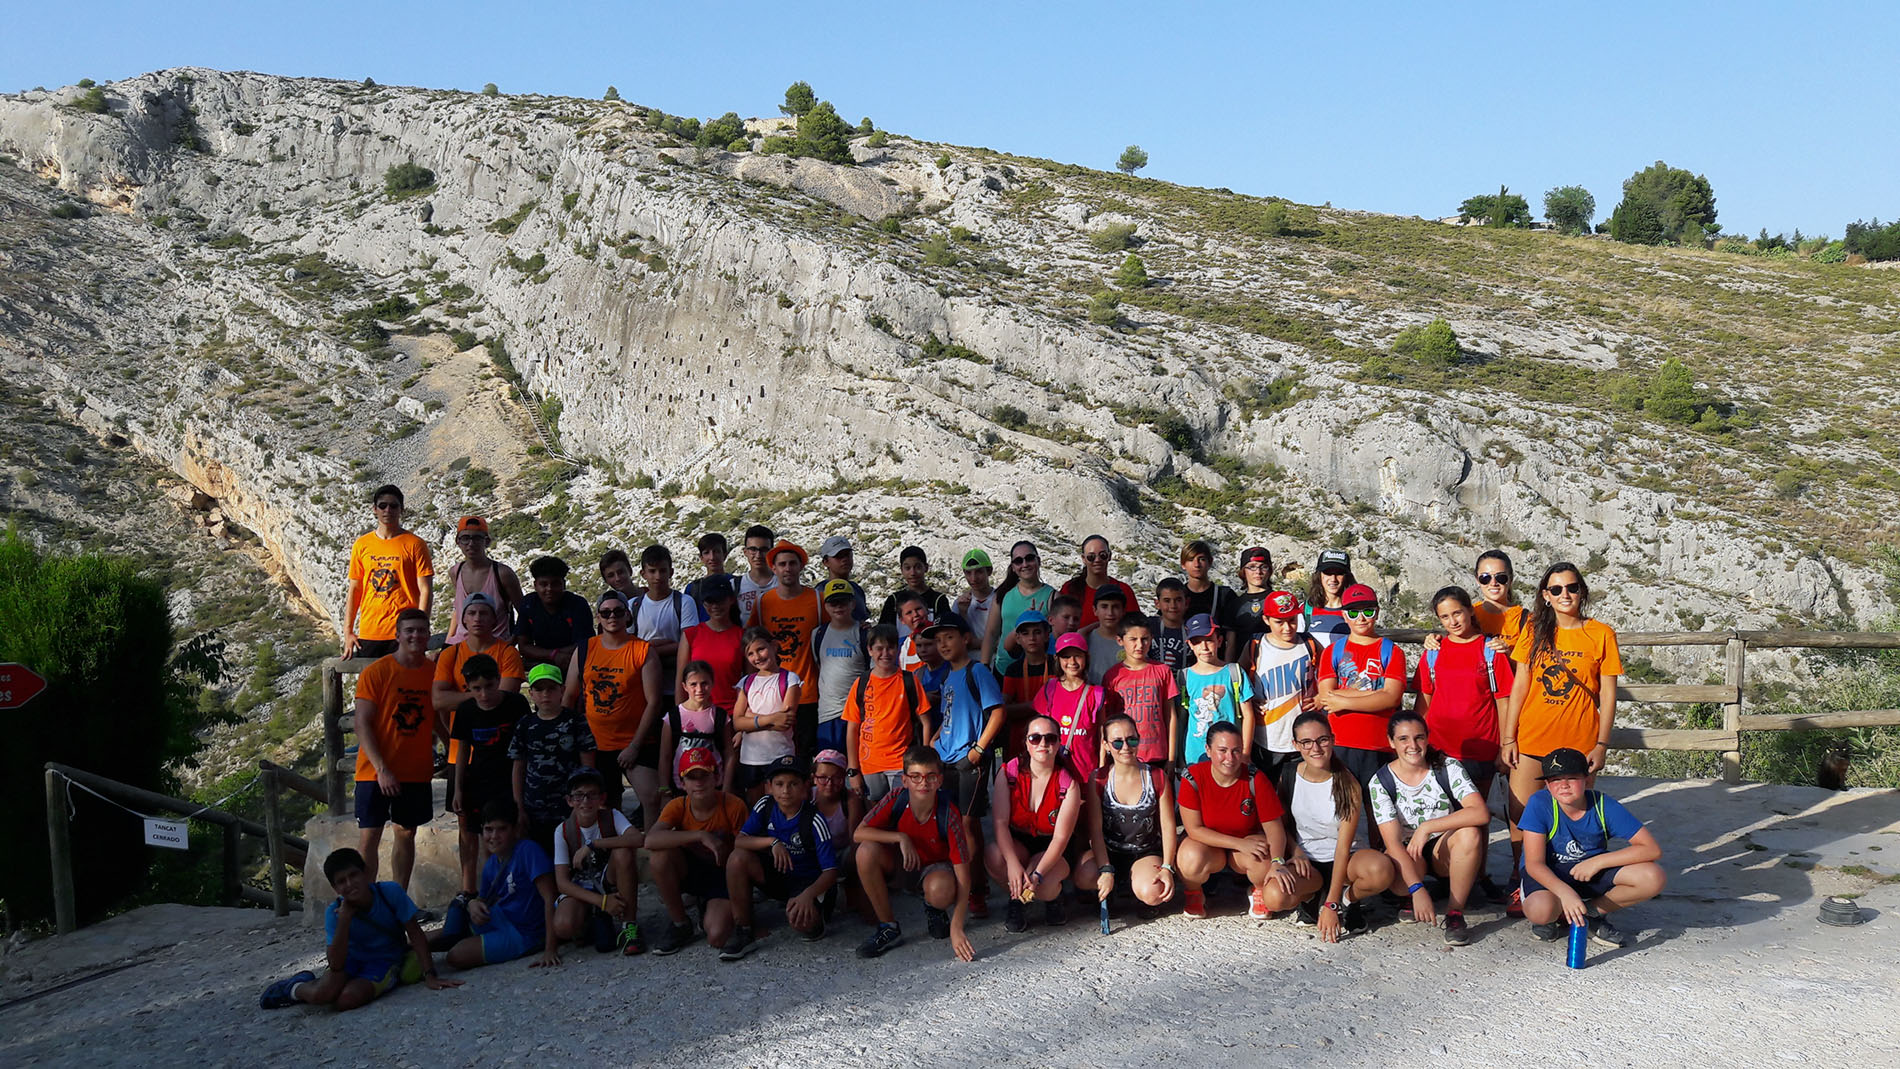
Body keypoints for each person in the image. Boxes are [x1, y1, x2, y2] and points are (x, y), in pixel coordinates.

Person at [1500, 561, 1622, 916]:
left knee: (1574, 814)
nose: (1564, 594)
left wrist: (1601, 744)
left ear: (1582, 591)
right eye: (1556, 589)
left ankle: (1574, 884)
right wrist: (1508, 737)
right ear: (1546, 595)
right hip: (1532, 738)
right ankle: (1523, 877)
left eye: (1571, 587)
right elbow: (1520, 685)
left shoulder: (1601, 634)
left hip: (1578, 742)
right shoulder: (1534, 631)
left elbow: (1608, 695)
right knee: (1521, 813)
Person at [259, 848, 461, 1010]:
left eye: (354, 875)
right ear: (335, 888)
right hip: (350, 962)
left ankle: (319, 985)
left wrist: (430, 975)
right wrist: (344, 920)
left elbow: (415, 934)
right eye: (341, 881)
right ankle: (296, 987)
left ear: (365, 874)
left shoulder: (389, 893)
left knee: (346, 1000)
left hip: (384, 961)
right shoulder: (334, 913)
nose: (349, 884)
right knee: (323, 994)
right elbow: (336, 964)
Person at [1416, 586, 1515, 899]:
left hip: (1480, 747)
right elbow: (1424, 700)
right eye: (1445, 617)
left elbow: (1503, 700)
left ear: (1471, 611)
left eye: (1457, 613)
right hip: (1439, 749)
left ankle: (1478, 875)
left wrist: (1505, 745)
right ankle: (1447, 874)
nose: (1453, 621)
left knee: (1477, 816)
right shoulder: (1434, 652)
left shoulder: (1490, 652)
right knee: (1440, 811)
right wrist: (1417, 745)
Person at [1517, 748, 1666, 948]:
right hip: (1550, 872)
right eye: (1555, 779)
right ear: (1547, 785)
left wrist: (1598, 861)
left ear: (1587, 780)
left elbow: (1651, 849)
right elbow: (1534, 864)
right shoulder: (1539, 803)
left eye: (1572, 778)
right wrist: (1565, 893)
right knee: (1541, 910)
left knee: (1653, 876)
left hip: (1589, 870)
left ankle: (1591, 913)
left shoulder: (1603, 805)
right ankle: (1555, 916)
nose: (1564, 785)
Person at [1371, 711, 1490, 946]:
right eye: (1403, 739)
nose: (1413, 745)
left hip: (1442, 847)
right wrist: (1416, 889)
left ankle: (1455, 913)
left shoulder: (1447, 766)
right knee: (1398, 874)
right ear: (1391, 742)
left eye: (1419, 737)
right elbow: (1392, 843)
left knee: (1470, 833)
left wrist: (1426, 827)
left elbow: (1480, 812)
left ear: (1427, 738)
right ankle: (1410, 895)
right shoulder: (1381, 781)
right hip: (1408, 852)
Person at [1176, 722, 1317, 919]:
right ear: (1208, 750)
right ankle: (1194, 892)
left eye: (1236, 751)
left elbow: (1275, 828)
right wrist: (1238, 843)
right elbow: (1194, 829)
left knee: (1263, 855)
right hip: (1209, 844)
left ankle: (1258, 887)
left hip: (1246, 842)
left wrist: (1277, 861)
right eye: (1222, 751)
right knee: (1189, 857)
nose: (1230, 758)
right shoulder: (1193, 778)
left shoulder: (1254, 778)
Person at [1276, 711, 1393, 941]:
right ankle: (1310, 898)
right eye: (1306, 742)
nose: (1315, 748)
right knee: (1275, 897)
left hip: (1346, 859)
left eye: (1322, 740)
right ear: (1296, 745)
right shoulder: (1288, 775)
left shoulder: (1348, 783)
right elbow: (1282, 826)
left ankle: (1349, 900)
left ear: (1333, 739)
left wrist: (1333, 904)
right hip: (1309, 861)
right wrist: (1296, 851)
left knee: (1381, 870)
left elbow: (1342, 847)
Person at [854, 745, 977, 961]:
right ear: (905, 780)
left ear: (940, 780)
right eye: (916, 776)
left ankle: (933, 907)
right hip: (901, 863)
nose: (923, 783)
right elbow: (859, 833)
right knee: (865, 852)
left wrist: (957, 927)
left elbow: (963, 875)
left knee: (941, 889)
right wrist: (901, 837)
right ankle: (888, 926)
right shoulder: (896, 798)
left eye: (931, 777)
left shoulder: (948, 812)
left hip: (933, 869)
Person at [433, 592, 525, 865]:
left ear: (495, 618)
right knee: (467, 828)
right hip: (462, 755)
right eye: (471, 613)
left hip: (502, 758)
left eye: (484, 613)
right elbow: (438, 700)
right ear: (463, 619)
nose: (477, 618)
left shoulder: (507, 652)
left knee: (505, 825)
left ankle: (502, 878)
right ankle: (470, 884)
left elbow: (505, 697)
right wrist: (479, 698)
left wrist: (463, 699)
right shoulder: (450, 654)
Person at [926, 612, 1006, 918]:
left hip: (969, 759)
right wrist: (935, 738)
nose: (943, 644)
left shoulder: (977, 671)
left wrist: (979, 749)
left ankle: (975, 891)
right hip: (947, 758)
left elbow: (997, 711)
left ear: (966, 639)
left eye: (949, 637)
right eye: (939, 640)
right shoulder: (948, 675)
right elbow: (951, 714)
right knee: (955, 825)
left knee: (969, 824)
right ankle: (967, 884)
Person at [722, 756, 841, 958]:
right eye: (779, 784)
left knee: (802, 923)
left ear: (805, 787)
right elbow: (739, 841)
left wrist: (807, 895)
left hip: (808, 882)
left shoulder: (814, 819)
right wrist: (772, 842)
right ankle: (744, 930)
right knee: (737, 858)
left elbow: (831, 872)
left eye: (793, 784)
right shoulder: (765, 805)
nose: (785, 790)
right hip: (780, 874)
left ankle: (816, 920)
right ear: (769, 787)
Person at [351, 609, 436, 889]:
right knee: (370, 836)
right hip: (375, 770)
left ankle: (399, 898)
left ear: (428, 635)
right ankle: (365, 899)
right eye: (409, 630)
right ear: (397, 635)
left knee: (406, 832)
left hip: (415, 769)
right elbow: (362, 723)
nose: (416, 636)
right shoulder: (377, 672)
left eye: (421, 630)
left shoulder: (433, 673)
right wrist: (382, 769)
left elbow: (439, 718)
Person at [564, 590, 661, 819]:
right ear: (598, 617)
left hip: (635, 740)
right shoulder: (585, 649)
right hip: (596, 743)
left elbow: (654, 701)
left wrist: (635, 746)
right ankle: (611, 841)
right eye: (606, 612)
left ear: (627, 615)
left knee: (652, 798)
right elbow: (569, 695)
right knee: (604, 804)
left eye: (618, 611)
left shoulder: (642, 650)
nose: (612, 617)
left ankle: (652, 840)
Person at [985, 715, 1085, 932]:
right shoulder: (1009, 773)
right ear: (1026, 742)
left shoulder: (1068, 783)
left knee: (1043, 883)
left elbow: (1060, 839)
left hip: (1052, 846)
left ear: (1058, 743)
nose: (1043, 743)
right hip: (1019, 840)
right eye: (1035, 738)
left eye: (1050, 738)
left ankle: (1052, 898)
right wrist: (1012, 864)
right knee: (995, 856)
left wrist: (1037, 874)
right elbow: (1000, 823)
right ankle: (1017, 898)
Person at [647, 748, 751, 955]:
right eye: (691, 777)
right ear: (682, 783)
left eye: (704, 775)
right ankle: (680, 923)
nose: (698, 783)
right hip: (691, 870)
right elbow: (650, 839)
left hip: (723, 874)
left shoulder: (733, 805)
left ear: (717, 778)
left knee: (717, 936)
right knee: (659, 857)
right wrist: (700, 835)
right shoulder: (678, 805)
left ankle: (730, 912)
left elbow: (748, 849)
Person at [439, 799, 560, 969]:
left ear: (515, 829)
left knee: (456, 956)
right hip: (501, 917)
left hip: (525, 932)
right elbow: (483, 898)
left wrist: (550, 949)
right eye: (489, 830)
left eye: (502, 829)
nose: (494, 836)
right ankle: (409, 949)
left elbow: (550, 898)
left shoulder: (529, 851)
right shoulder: (491, 863)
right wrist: (473, 904)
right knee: (451, 928)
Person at [1074, 713, 1178, 912]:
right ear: (1105, 745)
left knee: (1153, 892)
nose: (1125, 747)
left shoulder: (1156, 776)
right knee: (1084, 876)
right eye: (1117, 742)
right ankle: (1113, 887)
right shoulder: (1099, 779)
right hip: (1110, 851)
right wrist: (1105, 868)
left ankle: (1135, 889)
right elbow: (1095, 830)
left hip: (1145, 851)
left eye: (1132, 740)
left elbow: (1168, 827)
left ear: (1139, 739)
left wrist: (1167, 867)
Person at [445, 654, 530, 897]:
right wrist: (458, 789)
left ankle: (518, 889)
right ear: (468, 688)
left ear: (499, 680)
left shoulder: (516, 704)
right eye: (477, 689)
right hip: (480, 782)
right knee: (488, 840)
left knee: (516, 834)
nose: (484, 694)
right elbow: (462, 750)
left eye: (489, 686)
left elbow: (527, 744)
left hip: (512, 779)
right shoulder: (466, 710)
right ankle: (491, 891)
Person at [1315, 583, 1404, 799]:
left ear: (1377, 612)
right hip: (1340, 742)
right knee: (1344, 806)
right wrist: (1376, 694)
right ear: (1344, 615)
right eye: (1353, 612)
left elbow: (1392, 698)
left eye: (1368, 611)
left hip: (1380, 743)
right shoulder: (1332, 651)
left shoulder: (1392, 651)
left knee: (1379, 808)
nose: (1361, 618)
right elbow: (1326, 696)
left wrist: (1343, 700)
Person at [550, 768, 644, 955]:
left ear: (602, 798)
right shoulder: (562, 830)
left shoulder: (612, 816)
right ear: (569, 801)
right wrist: (602, 902)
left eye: (592, 795)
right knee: (563, 926)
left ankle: (629, 926)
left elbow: (638, 839)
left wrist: (593, 844)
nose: (585, 801)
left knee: (623, 852)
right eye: (579, 796)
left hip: (608, 881)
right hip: (584, 888)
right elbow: (562, 883)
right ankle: (590, 918)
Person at [509, 664, 598, 858]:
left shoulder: (576, 722)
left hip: (569, 807)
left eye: (551, 688)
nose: (545, 694)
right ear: (531, 693)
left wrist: (582, 803)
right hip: (534, 807)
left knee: (570, 858)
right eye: (539, 689)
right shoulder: (525, 725)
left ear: (562, 690)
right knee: (539, 859)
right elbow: (518, 767)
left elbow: (588, 768)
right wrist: (519, 807)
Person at [746, 540, 824, 758]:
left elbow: (837, 628)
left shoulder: (817, 600)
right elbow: (749, 643)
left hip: (807, 692)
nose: (787, 568)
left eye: (792, 563)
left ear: (801, 566)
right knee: (777, 756)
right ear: (773, 568)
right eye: (782, 564)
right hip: (772, 693)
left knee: (806, 755)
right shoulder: (763, 602)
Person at [343, 485, 433, 659]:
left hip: (404, 632)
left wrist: (420, 629)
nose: (388, 510)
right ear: (375, 509)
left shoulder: (415, 544)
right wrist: (348, 631)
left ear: (401, 509)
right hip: (370, 632)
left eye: (393, 506)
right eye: (383, 505)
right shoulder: (362, 545)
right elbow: (355, 588)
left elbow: (426, 589)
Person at [843, 625, 930, 803]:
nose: (885, 653)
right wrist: (853, 770)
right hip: (869, 764)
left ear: (897, 649)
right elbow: (852, 729)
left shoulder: (908, 680)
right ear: (870, 650)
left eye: (890, 648)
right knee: (876, 812)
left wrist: (926, 758)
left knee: (902, 808)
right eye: (879, 648)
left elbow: (926, 722)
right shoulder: (861, 683)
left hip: (902, 761)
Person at [1247, 590, 1320, 781]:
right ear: (1266, 620)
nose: (1287, 627)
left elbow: (1330, 672)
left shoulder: (1309, 643)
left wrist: (1321, 697)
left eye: (1292, 620)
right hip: (1266, 738)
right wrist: (1248, 701)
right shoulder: (1256, 645)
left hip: (1303, 738)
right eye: (1279, 622)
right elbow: (1238, 678)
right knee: (1267, 792)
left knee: (1299, 792)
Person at [633, 544, 702, 732]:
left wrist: (647, 648)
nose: (658, 576)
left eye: (662, 571)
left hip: (676, 688)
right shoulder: (633, 606)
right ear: (643, 574)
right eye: (652, 571)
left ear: (671, 572)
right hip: (642, 691)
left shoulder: (684, 602)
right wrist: (669, 645)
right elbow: (628, 648)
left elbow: (689, 643)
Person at [732, 626, 803, 797]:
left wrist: (750, 718)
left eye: (761, 649)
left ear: (774, 646)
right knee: (755, 804)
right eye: (750, 654)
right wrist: (771, 719)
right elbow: (737, 723)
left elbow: (784, 722)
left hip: (780, 756)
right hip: (750, 758)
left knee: (781, 801)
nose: (757, 657)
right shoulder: (746, 683)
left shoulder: (790, 679)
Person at [1178, 614, 1256, 768]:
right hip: (1195, 754)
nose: (1204, 647)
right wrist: (1178, 757)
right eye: (1197, 642)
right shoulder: (1184, 677)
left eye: (1209, 640)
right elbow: (1181, 720)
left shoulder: (1234, 672)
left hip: (1230, 753)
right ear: (1190, 644)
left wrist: (1245, 752)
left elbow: (1248, 715)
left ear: (1219, 641)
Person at [1101, 614, 1177, 770]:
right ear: (1120, 640)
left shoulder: (1162, 671)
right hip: (1124, 754)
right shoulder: (1112, 676)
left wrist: (1171, 758)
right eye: (1133, 639)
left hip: (1157, 755)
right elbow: (1106, 721)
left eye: (1144, 639)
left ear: (1151, 639)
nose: (1139, 645)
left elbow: (1170, 715)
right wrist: (1104, 761)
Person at [1032, 632, 1109, 779]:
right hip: (1054, 772)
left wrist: (1101, 770)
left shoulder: (1096, 693)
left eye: (1077, 656)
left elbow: (1102, 736)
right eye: (1066, 657)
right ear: (1057, 659)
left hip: (1086, 773)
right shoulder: (1049, 689)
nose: (1072, 661)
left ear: (1087, 657)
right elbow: (1039, 730)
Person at [660, 659, 737, 795]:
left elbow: (729, 753)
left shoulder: (720, 716)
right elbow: (665, 755)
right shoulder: (673, 717)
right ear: (684, 686)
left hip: (714, 786)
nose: (699, 689)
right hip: (681, 787)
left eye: (704, 683)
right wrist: (664, 788)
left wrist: (726, 787)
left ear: (712, 684)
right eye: (693, 684)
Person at [812, 578, 871, 754]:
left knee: (857, 765)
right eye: (833, 602)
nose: (838, 607)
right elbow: (818, 666)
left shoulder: (864, 634)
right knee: (828, 764)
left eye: (843, 602)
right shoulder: (818, 634)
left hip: (858, 713)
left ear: (853, 604)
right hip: (827, 714)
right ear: (826, 606)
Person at [444, 516, 521, 644]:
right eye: (465, 538)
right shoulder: (455, 572)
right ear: (458, 542)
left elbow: (524, 613)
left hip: (495, 645)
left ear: (487, 541)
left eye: (477, 538)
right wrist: (447, 643)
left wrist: (512, 642)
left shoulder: (502, 574)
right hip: (461, 645)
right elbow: (459, 610)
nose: (471, 544)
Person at [677, 574, 745, 713]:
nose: (715, 606)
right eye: (710, 601)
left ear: (731, 600)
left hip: (732, 713)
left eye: (720, 600)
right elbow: (680, 680)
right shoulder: (691, 635)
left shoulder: (742, 636)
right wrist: (679, 716)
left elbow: (750, 682)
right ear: (703, 603)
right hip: (697, 713)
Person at [985, 540, 1054, 673]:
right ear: (1013, 567)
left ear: (1038, 561)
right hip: (1003, 669)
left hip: (1038, 672)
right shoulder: (1003, 594)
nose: (1025, 564)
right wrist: (984, 665)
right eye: (1018, 561)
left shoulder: (1052, 596)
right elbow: (991, 633)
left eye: (1029, 558)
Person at [514, 555, 593, 671]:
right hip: (541, 663)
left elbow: (585, 644)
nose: (549, 589)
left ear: (563, 584)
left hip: (573, 660)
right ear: (535, 585)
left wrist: (556, 655)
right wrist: (553, 655)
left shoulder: (577, 604)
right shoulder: (528, 604)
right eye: (543, 584)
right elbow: (524, 646)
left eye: (555, 584)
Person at [999, 610, 1057, 760]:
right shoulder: (1013, 670)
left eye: (1037, 632)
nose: (1032, 638)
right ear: (1018, 638)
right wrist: (1036, 705)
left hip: (1052, 738)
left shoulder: (1058, 665)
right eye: (1025, 633)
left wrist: (1024, 708)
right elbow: (1004, 710)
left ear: (1047, 635)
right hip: (1020, 739)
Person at [1059, 534, 1141, 628]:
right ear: (1083, 559)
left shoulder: (1124, 590)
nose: (1097, 560)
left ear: (1109, 556)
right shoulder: (1069, 589)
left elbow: (1136, 627)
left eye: (1102, 555)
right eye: (1091, 557)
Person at [879, 545, 954, 633]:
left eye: (917, 567)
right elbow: (883, 633)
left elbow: (946, 631)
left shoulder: (938, 600)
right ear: (901, 570)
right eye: (907, 568)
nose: (913, 573)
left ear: (926, 568)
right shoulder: (893, 600)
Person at [1180, 539, 1236, 641]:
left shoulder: (1224, 595)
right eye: (1191, 559)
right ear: (1183, 564)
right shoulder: (1177, 596)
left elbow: (1231, 631)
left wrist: (1229, 652)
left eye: (1201, 559)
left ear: (1210, 562)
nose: (1196, 564)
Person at [1228, 546, 1276, 663]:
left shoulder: (1277, 600)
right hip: (1243, 665)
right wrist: (1229, 669)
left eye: (1263, 567)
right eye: (1252, 567)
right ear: (1243, 571)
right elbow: (1230, 644)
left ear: (1270, 570)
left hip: (1272, 662)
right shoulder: (1235, 604)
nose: (1258, 572)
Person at [1304, 549, 1356, 649]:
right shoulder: (1306, 610)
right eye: (1328, 573)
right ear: (1319, 575)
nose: (1333, 579)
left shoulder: (1355, 611)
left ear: (1347, 577)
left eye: (1339, 573)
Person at [734, 524, 779, 626]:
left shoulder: (783, 584)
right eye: (753, 549)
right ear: (745, 552)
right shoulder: (735, 586)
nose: (758, 555)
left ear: (772, 552)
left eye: (764, 550)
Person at [1084, 585, 1129, 685]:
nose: (1110, 613)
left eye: (1115, 607)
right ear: (1095, 610)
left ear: (1123, 611)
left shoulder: (1132, 642)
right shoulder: (1085, 640)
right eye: (1104, 606)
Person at [817, 535, 870, 621]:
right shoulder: (820, 592)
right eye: (838, 556)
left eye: (847, 555)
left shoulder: (857, 589)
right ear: (825, 562)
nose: (845, 559)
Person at [682, 531, 733, 618]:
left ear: (725, 555)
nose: (712, 557)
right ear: (701, 558)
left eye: (716, 551)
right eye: (706, 553)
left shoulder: (737, 583)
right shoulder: (693, 589)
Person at [953, 547, 997, 643]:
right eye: (968, 573)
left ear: (989, 571)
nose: (973, 578)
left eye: (979, 572)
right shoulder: (959, 603)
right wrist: (963, 613)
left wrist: (975, 643)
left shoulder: (1001, 599)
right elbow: (959, 640)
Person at [1149, 578, 1191, 671]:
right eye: (1167, 600)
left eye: (1178, 600)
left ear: (1186, 602)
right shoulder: (1148, 626)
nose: (1173, 606)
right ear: (1157, 603)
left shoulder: (1193, 629)